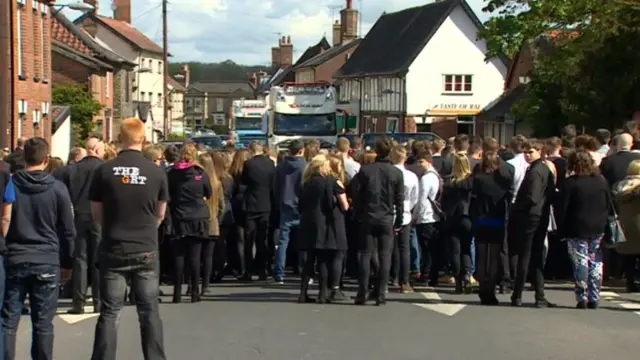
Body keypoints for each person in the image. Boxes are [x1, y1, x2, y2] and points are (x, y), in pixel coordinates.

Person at [89, 118, 168, 360]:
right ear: (143, 139)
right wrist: (146, 228)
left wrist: (112, 226)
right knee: (149, 310)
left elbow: (96, 213)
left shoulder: (103, 170)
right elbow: (160, 213)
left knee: (110, 311)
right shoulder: (156, 172)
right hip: (145, 247)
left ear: (120, 138)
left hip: (114, 245)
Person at [2, 137, 75, 360]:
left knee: (8, 321)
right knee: (43, 322)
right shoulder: (58, 188)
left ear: (24, 158)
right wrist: (67, 262)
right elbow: (68, 229)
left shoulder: (11, 183)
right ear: (46, 159)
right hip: (46, 258)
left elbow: (5, 219)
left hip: (16, 256)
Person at [350, 137, 403, 305]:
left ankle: (362, 291)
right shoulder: (396, 172)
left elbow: (355, 191)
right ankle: (381, 293)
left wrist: (358, 210)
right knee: (385, 254)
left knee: (366, 254)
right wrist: (399, 220)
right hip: (386, 217)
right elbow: (399, 199)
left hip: (368, 215)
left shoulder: (366, 170)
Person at [556, 150, 610, 309]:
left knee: (580, 261)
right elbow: (608, 203)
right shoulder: (601, 180)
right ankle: (595, 296)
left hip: (577, 226)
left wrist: (561, 227)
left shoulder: (571, 183)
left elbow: (563, 208)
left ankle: (582, 296)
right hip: (598, 225)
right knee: (595, 260)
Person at [509, 139, 556, 308]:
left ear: (540, 151)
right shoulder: (541, 169)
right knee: (534, 256)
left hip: (531, 217)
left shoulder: (536, 171)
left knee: (527, 256)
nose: (527, 155)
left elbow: (533, 197)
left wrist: (515, 207)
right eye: (526, 152)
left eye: (531, 152)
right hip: (539, 216)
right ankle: (538, 296)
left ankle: (519, 295)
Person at [297, 155, 349, 303]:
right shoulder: (332, 182)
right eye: (326, 165)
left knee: (309, 259)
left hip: (308, 222)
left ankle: (303, 292)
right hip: (327, 223)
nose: (328, 168)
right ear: (321, 167)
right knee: (324, 259)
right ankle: (323, 293)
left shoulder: (306, 183)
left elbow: (300, 204)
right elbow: (344, 205)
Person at [64, 137, 105, 315]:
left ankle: (78, 302)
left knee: (80, 260)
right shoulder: (104, 168)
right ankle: (98, 301)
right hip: (98, 216)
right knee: (98, 259)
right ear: (95, 149)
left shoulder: (74, 169)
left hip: (79, 215)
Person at [167, 143, 212, 303]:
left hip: (179, 217)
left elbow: (167, 193)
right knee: (195, 256)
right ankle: (195, 292)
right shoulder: (200, 173)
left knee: (179, 256)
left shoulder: (172, 174)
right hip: (198, 216)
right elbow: (209, 192)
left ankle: (177, 293)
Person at [471, 150, 513, 305]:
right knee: (494, 256)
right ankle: (491, 290)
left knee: (482, 256)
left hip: (481, 220)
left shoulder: (478, 179)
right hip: (498, 220)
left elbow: (473, 197)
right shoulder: (503, 181)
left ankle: (484, 289)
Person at [240, 142, 275, 281]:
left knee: (249, 239)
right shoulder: (270, 163)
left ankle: (248, 271)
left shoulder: (249, 164)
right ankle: (262, 270)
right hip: (266, 203)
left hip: (251, 204)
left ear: (251, 150)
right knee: (263, 239)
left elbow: (244, 181)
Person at [273, 140, 306, 284]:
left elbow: (276, 187)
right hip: (301, 206)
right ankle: (303, 270)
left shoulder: (281, 166)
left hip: (285, 205)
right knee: (304, 242)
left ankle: (279, 273)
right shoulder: (305, 167)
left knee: (283, 242)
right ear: (301, 150)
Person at [442, 153, 474, 293]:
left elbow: (443, 203)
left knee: (455, 250)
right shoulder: (471, 181)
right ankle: (467, 274)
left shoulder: (449, 182)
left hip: (452, 217)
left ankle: (458, 281)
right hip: (467, 216)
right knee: (466, 248)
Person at [388, 145, 418, 293]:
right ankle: (404, 281)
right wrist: (408, 207)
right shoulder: (411, 176)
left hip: (388, 212)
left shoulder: (388, 173)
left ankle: (391, 277)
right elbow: (414, 197)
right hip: (405, 212)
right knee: (404, 248)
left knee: (388, 248)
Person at [413, 151, 443, 286]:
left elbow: (421, 199)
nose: (419, 165)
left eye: (421, 162)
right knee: (432, 248)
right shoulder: (435, 175)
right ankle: (432, 275)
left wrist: (415, 216)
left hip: (426, 216)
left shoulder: (426, 178)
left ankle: (427, 275)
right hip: (434, 216)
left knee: (427, 249)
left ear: (428, 161)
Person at [198, 153, 225, 293]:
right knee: (208, 256)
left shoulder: (197, 181)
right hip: (212, 222)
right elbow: (222, 205)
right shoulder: (217, 183)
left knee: (196, 255)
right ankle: (206, 285)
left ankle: (194, 283)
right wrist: (216, 216)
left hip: (198, 222)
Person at [612, 159, 640, 293]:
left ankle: (630, 282)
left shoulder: (619, 186)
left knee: (628, 255)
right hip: (638, 222)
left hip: (624, 223)